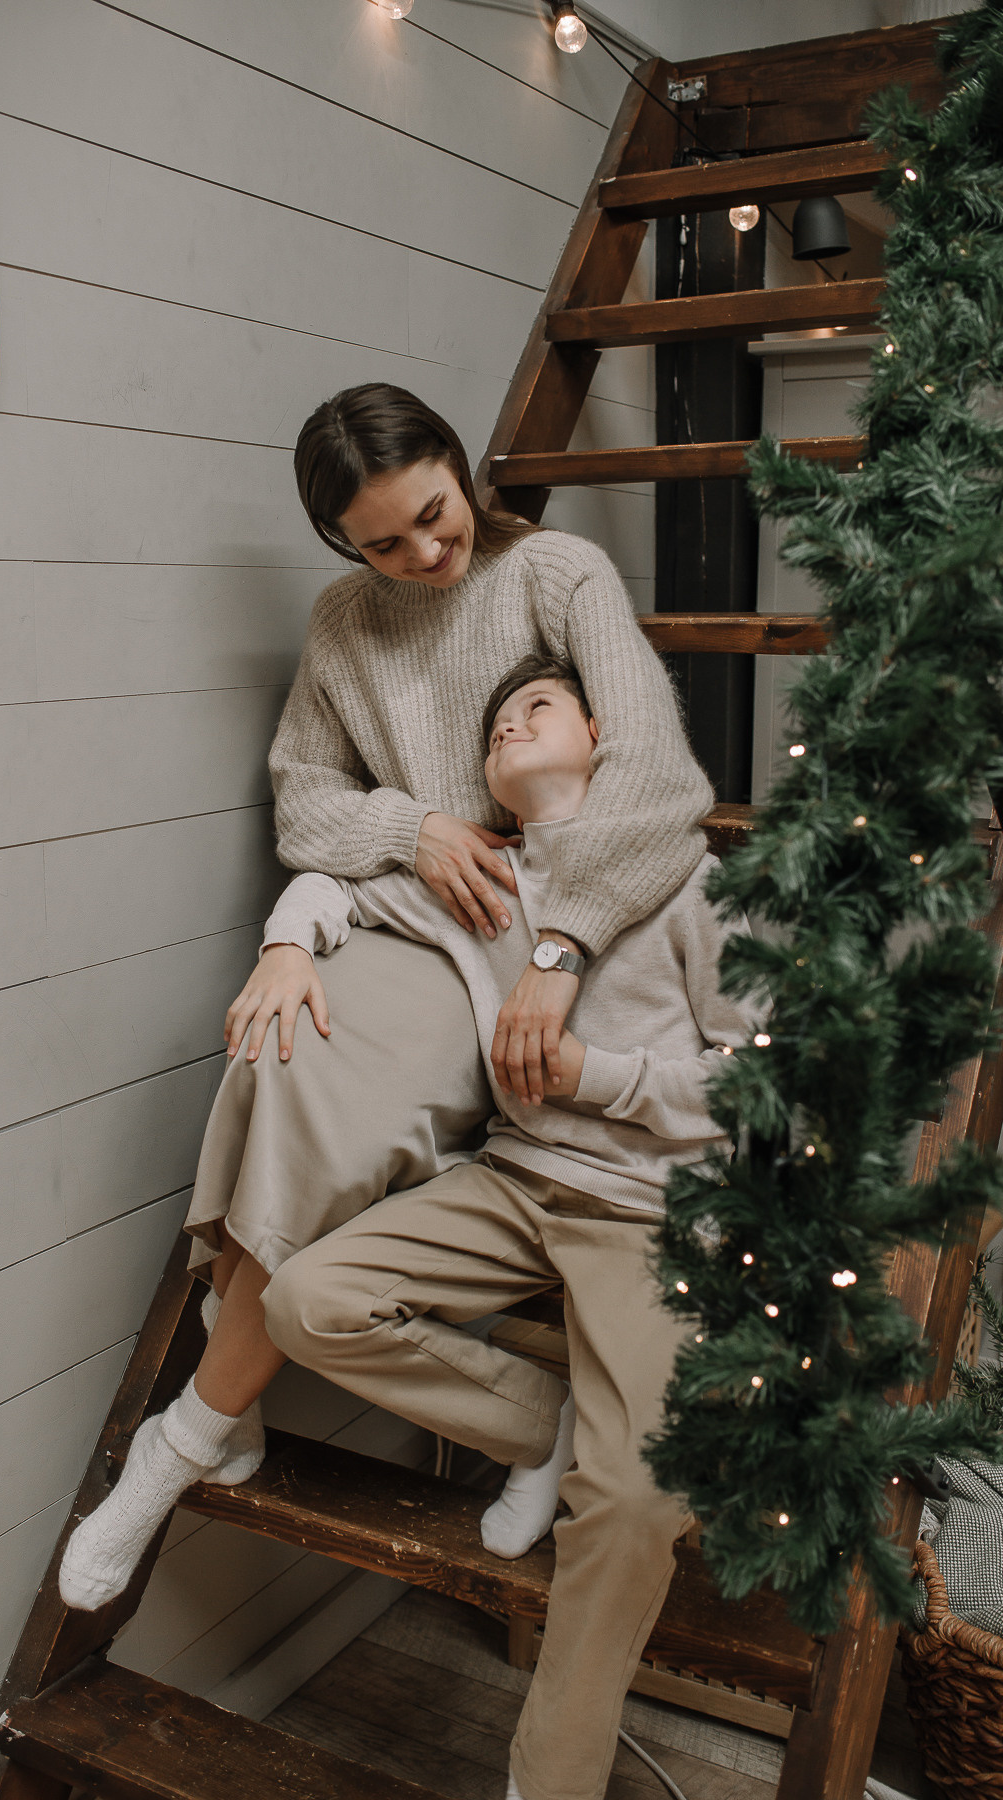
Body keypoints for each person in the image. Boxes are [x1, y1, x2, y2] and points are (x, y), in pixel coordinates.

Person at [57, 383, 712, 1610]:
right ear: (338, 545)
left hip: (548, 937)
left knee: (324, 1104)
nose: (421, 555)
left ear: (459, 468)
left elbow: (658, 775)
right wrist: (406, 834)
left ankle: (185, 1438)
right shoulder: (343, 623)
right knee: (277, 1059)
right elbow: (303, 796)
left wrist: (562, 944)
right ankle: (221, 1419)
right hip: (419, 923)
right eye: (383, 542)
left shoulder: (555, 575)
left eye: (433, 516)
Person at [258, 657, 762, 1800]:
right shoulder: (485, 879)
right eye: (493, 723)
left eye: (537, 706)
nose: (510, 725)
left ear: (596, 730)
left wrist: (602, 1075)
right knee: (306, 1301)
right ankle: (540, 1428)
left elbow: (755, 1085)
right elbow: (334, 883)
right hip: (509, 1184)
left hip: (648, 1211)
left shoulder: (688, 880)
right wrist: (290, 940)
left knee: (633, 1502)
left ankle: (550, 1779)